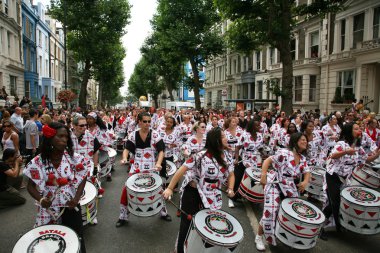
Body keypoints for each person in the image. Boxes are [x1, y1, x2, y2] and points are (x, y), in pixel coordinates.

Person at [163, 127, 235, 253]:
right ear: (216, 140)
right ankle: (179, 250)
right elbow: (182, 169)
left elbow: (231, 175)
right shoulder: (200, 156)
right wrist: (169, 188)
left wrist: (230, 188)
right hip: (192, 194)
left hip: (213, 195)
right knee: (187, 225)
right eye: (223, 136)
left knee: (207, 225)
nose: (226, 138)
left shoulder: (228, 156)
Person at [24, 122, 91, 253]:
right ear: (50, 138)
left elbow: (83, 176)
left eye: (66, 137)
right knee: (49, 243)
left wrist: (76, 199)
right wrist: (42, 200)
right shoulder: (38, 161)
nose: (64, 140)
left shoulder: (74, 158)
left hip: (70, 206)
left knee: (76, 239)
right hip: (48, 208)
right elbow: (30, 186)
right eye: (60, 136)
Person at [319, 123, 380, 240]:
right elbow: (333, 155)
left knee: (339, 202)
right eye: (356, 129)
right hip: (333, 176)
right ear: (349, 131)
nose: (360, 130)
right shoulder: (342, 144)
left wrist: (377, 154)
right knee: (333, 202)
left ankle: (337, 226)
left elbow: (366, 159)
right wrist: (346, 152)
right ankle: (321, 227)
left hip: (346, 178)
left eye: (360, 128)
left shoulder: (358, 147)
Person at [255, 133, 311, 250]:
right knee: (270, 211)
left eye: (305, 140)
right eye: (302, 140)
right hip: (275, 184)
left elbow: (307, 172)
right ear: (295, 141)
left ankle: (285, 236)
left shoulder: (303, 159)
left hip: (290, 187)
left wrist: (305, 182)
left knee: (293, 212)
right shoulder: (284, 153)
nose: (305, 142)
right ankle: (259, 237)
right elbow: (267, 161)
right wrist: (263, 175)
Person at [117, 112, 171, 227]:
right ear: (139, 122)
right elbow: (127, 149)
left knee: (159, 190)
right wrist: (124, 158)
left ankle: (163, 212)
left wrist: (158, 163)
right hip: (136, 168)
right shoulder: (133, 134)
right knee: (126, 190)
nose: (147, 124)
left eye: (149, 121)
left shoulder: (155, 135)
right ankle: (123, 216)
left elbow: (161, 150)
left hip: (152, 167)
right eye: (145, 121)